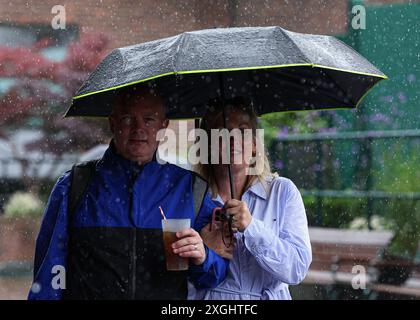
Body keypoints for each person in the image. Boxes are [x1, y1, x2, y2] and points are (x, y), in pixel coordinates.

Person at [28, 85, 228, 300]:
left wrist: (203, 258)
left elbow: (212, 277)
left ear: (164, 126)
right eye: (127, 119)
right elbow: (49, 275)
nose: (138, 128)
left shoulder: (191, 189)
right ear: (112, 124)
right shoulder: (74, 186)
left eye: (149, 119)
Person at [194, 97, 312, 300]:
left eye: (242, 130)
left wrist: (251, 227)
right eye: (222, 131)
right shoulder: (192, 195)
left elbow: (297, 269)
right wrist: (202, 247)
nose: (233, 139)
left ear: (255, 144)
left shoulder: (282, 192)